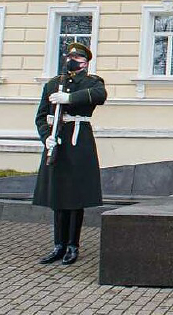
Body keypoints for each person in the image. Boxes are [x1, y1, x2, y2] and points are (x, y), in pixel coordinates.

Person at [33, 42, 107, 265]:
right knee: (58, 195)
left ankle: (73, 246)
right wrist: (46, 135)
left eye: (76, 57)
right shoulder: (53, 84)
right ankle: (59, 245)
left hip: (78, 141)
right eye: (69, 57)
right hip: (57, 142)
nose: (70, 60)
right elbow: (41, 115)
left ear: (85, 62)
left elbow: (99, 95)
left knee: (75, 197)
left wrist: (69, 99)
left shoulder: (92, 82)